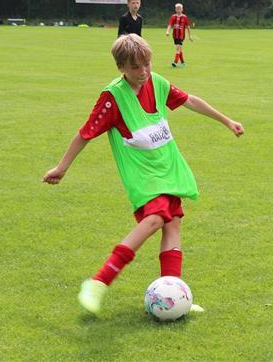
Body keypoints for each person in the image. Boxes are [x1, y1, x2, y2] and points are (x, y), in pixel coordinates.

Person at [42, 34, 244, 314]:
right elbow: (85, 134)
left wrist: (226, 120)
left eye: (146, 64)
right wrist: (61, 168)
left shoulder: (156, 82)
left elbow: (190, 100)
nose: (144, 71)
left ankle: (174, 295)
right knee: (155, 220)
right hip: (144, 177)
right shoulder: (112, 98)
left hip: (169, 168)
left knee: (173, 224)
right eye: (136, 67)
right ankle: (98, 282)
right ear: (121, 67)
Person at [165, 3, 192, 68]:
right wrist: (167, 31)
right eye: (177, 9)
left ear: (182, 9)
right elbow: (170, 25)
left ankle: (175, 62)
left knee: (178, 48)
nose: (178, 10)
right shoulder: (173, 17)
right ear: (175, 9)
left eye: (180, 9)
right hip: (175, 36)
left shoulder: (184, 17)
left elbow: (188, 26)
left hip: (181, 36)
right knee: (180, 49)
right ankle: (183, 62)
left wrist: (190, 35)